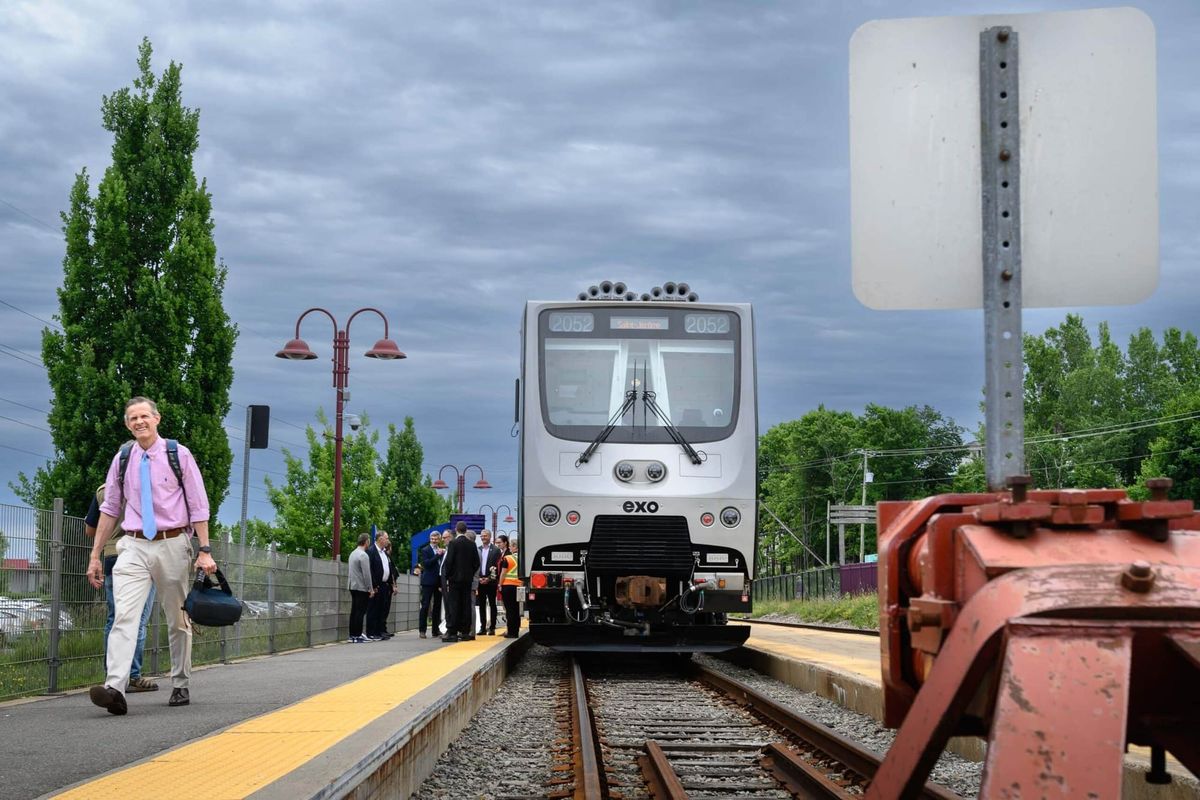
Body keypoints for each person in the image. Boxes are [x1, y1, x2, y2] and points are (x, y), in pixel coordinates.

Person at [85, 397, 216, 715]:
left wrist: (205, 550)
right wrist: (95, 555)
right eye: (133, 418)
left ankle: (181, 683)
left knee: (177, 618)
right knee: (124, 616)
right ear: (127, 424)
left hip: (172, 543)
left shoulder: (177, 454)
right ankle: (115, 688)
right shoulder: (123, 458)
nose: (139, 421)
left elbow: (198, 504)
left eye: (144, 416)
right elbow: (109, 508)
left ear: (157, 419)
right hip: (133, 545)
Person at [84, 484, 159, 693]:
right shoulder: (147, 486)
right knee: (138, 619)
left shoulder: (103, 491)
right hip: (140, 554)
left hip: (111, 555)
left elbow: (90, 530)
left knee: (114, 617)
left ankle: (113, 674)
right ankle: (133, 674)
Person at [440, 521, 479, 642]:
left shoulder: (453, 543)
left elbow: (449, 562)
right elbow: (476, 563)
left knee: (454, 605)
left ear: (456, 530)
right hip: (467, 580)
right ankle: (465, 632)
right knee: (466, 604)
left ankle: (452, 632)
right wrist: (470, 573)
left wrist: (448, 577)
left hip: (455, 580)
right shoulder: (472, 544)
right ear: (465, 530)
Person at [365, 531, 392, 640]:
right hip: (376, 585)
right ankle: (371, 632)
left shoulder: (384, 552)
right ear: (380, 539)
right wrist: (374, 585)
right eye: (386, 538)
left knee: (382, 608)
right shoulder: (371, 551)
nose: (387, 540)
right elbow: (370, 569)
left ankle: (379, 631)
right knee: (373, 609)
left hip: (384, 585)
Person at [416, 531, 444, 639]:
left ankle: (435, 630)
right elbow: (427, 564)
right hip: (428, 581)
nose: (434, 540)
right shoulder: (425, 550)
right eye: (432, 538)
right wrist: (437, 555)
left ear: (439, 539)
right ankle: (422, 630)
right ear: (429, 539)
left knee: (437, 606)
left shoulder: (441, 550)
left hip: (438, 581)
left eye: (436, 539)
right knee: (425, 605)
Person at [347, 533, 373, 643]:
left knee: (354, 611)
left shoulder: (353, 553)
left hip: (352, 585)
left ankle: (352, 635)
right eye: (369, 541)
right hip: (361, 587)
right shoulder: (363, 555)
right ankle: (358, 635)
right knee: (360, 612)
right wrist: (370, 589)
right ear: (366, 541)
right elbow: (367, 574)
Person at [476, 530, 502, 635]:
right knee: (481, 605)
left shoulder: (496, 550)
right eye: (482, 536)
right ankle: (483, 627)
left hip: (491, 582)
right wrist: (478, 578)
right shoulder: (478, 549)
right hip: (480, 581)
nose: (483, 538)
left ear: (490, 537)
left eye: (485, 536)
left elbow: (497, 567)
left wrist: (489, 578)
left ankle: (492, 627)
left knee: (492, 604)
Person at [499, 539, 522, 638]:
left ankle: (511, 632)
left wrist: (500, 584)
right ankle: (516, 631)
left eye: (511, 546)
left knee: (509, 610)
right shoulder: (523, 559)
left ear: (514, 547)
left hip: (507, 586)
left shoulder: (507, 558)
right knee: (516, 610)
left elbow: (503, 573)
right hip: (519, 586)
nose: (510, 548)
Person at [380, 535, 399, 636]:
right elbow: (392, 573)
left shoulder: (389, 558)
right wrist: (394, 585)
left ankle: (384, 629)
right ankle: (381, 629)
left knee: (386, 608)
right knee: (383, 608)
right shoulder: (386, 558)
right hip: (386, 585)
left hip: (389, 585)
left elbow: (393, 573)